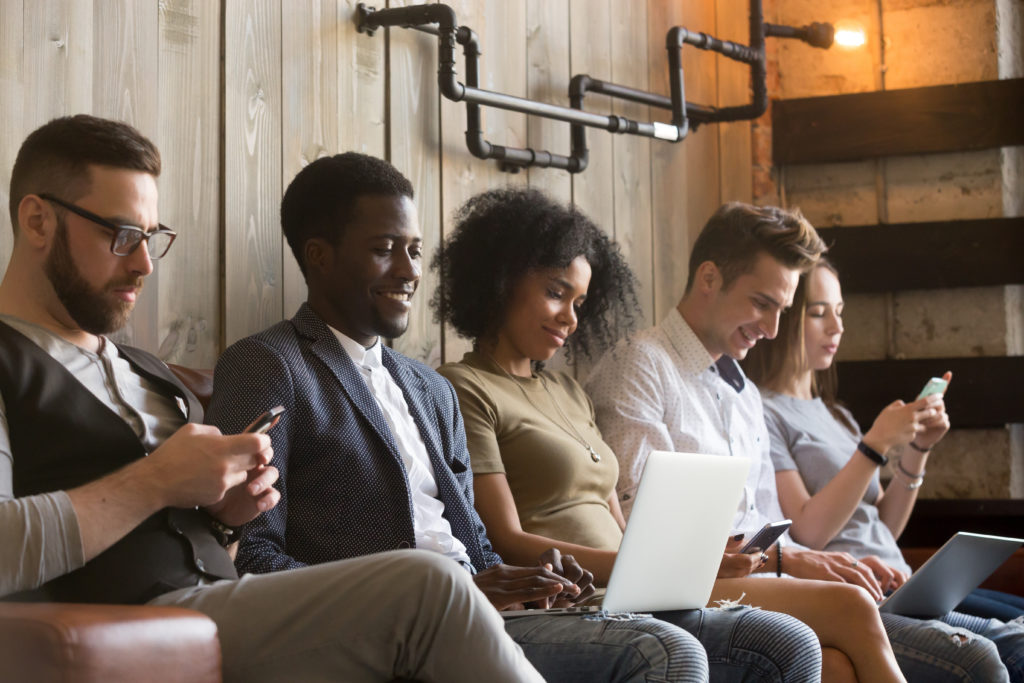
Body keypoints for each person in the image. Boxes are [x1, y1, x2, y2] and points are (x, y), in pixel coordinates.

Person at [0, 114, 546, 683]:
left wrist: (228, 522)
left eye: (151, 237)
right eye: (120, 235)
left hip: (222, 602)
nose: (143, 264)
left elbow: (219, 551)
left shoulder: (148, 374)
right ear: (38, 221)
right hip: (136, 617)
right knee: (430, 584)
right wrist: (156, 480)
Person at [206, 152, 714, 682]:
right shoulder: (270, 364)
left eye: (415, 251)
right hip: (396, 630)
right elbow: (250, 554)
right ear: (319, 257)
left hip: (484, 614)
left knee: (774, 641)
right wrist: (418, 597)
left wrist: (531, 580)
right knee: (664, 653)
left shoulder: (431, 390)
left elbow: (474, 542)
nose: (408, 271)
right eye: (384, 250)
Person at [431, 187, 916, 682]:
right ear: (499, 281)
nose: (570, 318)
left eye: (580, 301)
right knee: (848, 608)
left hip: (643, 583)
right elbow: (503, 540)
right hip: (591, 593)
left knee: (833, 665)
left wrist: (687, 564)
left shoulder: (568, 392)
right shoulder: (462, 387)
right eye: (556, 293)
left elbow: (625, 528)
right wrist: (664, 568)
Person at [586, 202, 1017, 682]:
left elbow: (772, 528)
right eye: (761, 303)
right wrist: (794, 558)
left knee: (992, 645)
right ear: (709, 278)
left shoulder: (744, 393)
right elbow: (651, 540)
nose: (772, 329)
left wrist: (837, 563)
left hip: (775, 585)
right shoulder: (640, 367)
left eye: (782, 310)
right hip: (705, 596)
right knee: (976, 662)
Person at [740, 259, 1024, 669]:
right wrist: (873, 446)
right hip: (865, 596)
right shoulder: (765, 413)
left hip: (906, 580)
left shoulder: (836, 414)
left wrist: (917, 449)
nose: (836, 328)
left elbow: (882, 526)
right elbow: (809, 531)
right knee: (1013, 649)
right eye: (818, 313)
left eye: (840, 313)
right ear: (782, 314)